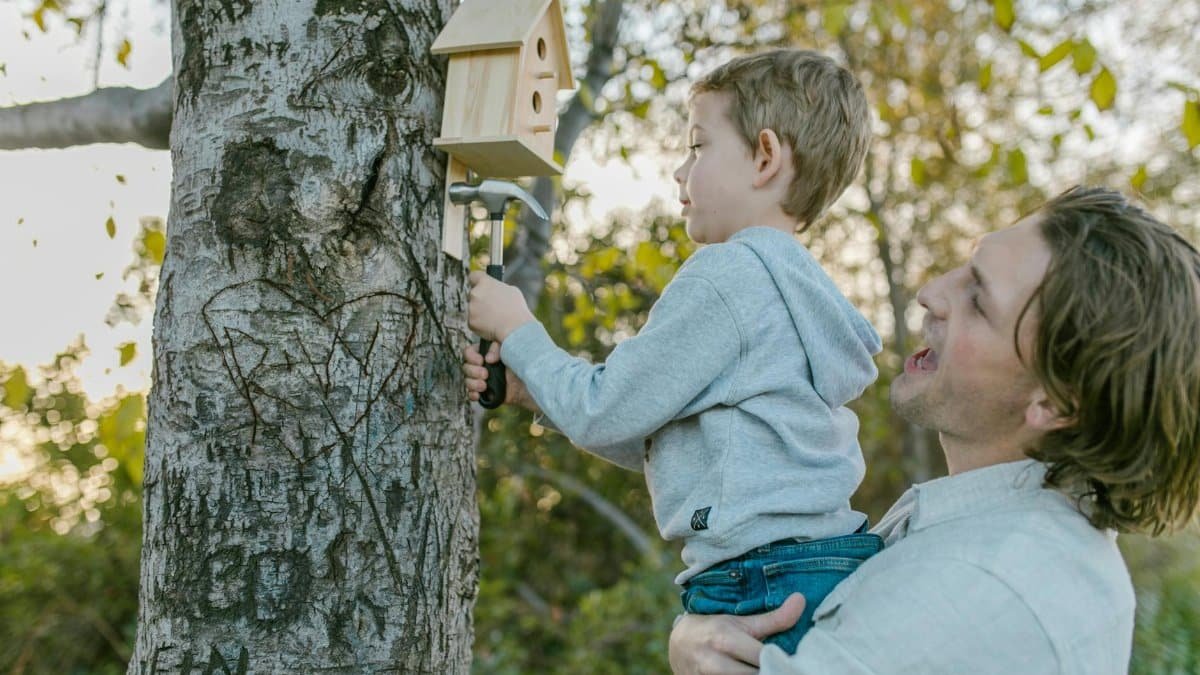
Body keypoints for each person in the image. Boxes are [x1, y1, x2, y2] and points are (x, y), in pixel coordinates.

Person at [667, 186, 1200, 674]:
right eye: (967, 268)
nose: (931, 293)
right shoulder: (991, 537)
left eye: (978, 301)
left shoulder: (980, 584)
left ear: (1057, 402)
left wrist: (693, 652)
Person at [464, 49, 881, 651]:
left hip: (758, 578)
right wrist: (534, 389)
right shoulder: (795, 290)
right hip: (818, 567)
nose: (680, 172)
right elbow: (672, 435)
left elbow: (605, 407)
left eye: (698, 146)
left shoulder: (728, 275)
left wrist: (517, 326)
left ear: (765, 157)